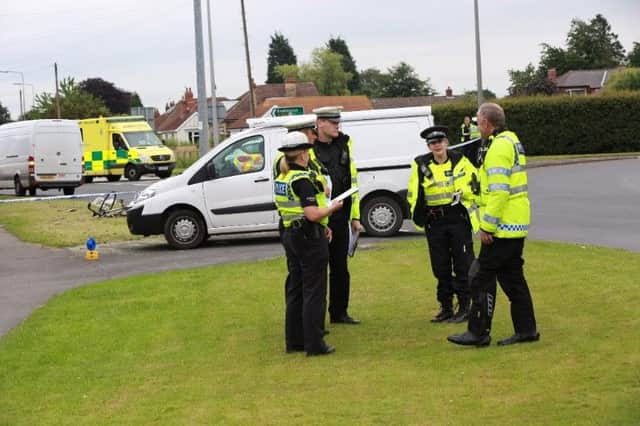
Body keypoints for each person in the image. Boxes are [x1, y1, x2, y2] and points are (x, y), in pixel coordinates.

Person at [448, 102, 539, 347]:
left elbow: (499, 191)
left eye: (478, 123)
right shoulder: (510, 140)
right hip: (515, 222)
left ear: (487, 123)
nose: (477, 127)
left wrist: (487, 226)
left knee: (479, 275)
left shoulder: (498, 147)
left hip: (503, 225)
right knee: (512, 279)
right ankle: (527, 329)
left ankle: (478, 332)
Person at [274, 131, 343, 356]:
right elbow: (312, 213)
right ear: (303, 154)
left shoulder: (282, 178)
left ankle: (294, 341)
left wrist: (323, 224)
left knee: (296, 288)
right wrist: (332, 208)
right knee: (314, 290)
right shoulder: (302, 180)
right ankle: (314, 344)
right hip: (307, 236)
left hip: (290, 234)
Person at [407, 125, 479, 324]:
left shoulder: (461, 161)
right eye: (432, 143)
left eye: (439, 141)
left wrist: (462, 191)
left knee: (463, 264)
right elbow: (414, 192)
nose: (437, 145)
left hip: (458, 219)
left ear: (446, 142)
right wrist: (420, 216)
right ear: (428, 146)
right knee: (441, 266)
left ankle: (465, 307)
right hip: (435, 221)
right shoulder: (420, 164)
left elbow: (475, 183)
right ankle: (446, 307)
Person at [312, 106, 362, 325]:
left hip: (342, 214)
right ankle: (316, 316)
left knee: (340, 267)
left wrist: (355, 216)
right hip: (320, 216)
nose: (337, 126)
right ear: (320, 123)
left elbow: (352, 180)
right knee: (319, 269)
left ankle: (339, 312)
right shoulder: (310, 147)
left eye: (338, 122)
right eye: (333, 123)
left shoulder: (344, 143)